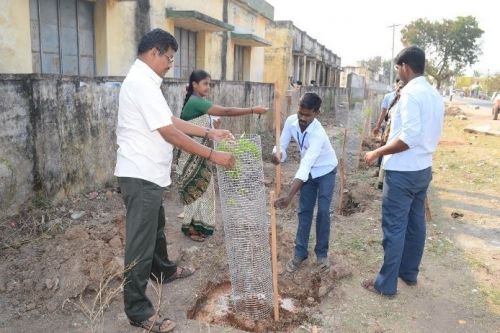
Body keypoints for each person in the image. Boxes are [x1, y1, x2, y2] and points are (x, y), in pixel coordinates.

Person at [114, 29, 235, 333]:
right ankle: (138, 310)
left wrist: (209, 132)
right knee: (140, 245)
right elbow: (169, 133)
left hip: (149, 174)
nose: (170, 64)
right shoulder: (141, 83)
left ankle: (164, 271)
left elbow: (169, 120)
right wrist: (212, 154)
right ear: (154, 52)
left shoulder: (147, 82)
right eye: (168, 58)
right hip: (139, 174)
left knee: (154, 231)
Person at [363, 46, 444, 297]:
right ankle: (408, 273)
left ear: (405, 67)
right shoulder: (434, 94)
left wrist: (377, 153)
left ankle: (385, 284)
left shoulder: (410, 95)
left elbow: (408, 138)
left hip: (403, 172)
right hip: (423, 169)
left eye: (398, 68)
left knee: (395, 227)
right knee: (416, 223)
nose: (398, 73)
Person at [176, 69, 268, 241]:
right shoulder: (195, 101)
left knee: (204, 190)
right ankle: (190, 228)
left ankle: (199, 225)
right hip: (190, 154)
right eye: (205, 83)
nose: (208, 87)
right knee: (196, 191)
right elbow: (226, 111)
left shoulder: (198, 101)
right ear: (194, 85)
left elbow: (205, 124)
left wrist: (214, 126)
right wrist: (253, 109)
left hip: (198, 152)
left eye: (209, 84)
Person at [273, 92, 338, 273]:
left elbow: (306, 164)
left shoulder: (318, 134)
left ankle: (322, 255)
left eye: (307, 115)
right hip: (308, 173)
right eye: (300, 112)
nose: (302, 117)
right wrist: (277, 154)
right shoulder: (291, 121)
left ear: (317, 113)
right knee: (304, 211)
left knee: (323, 211)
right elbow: (282, 145)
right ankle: (300, 253)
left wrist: (289, 195)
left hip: (325, 170)